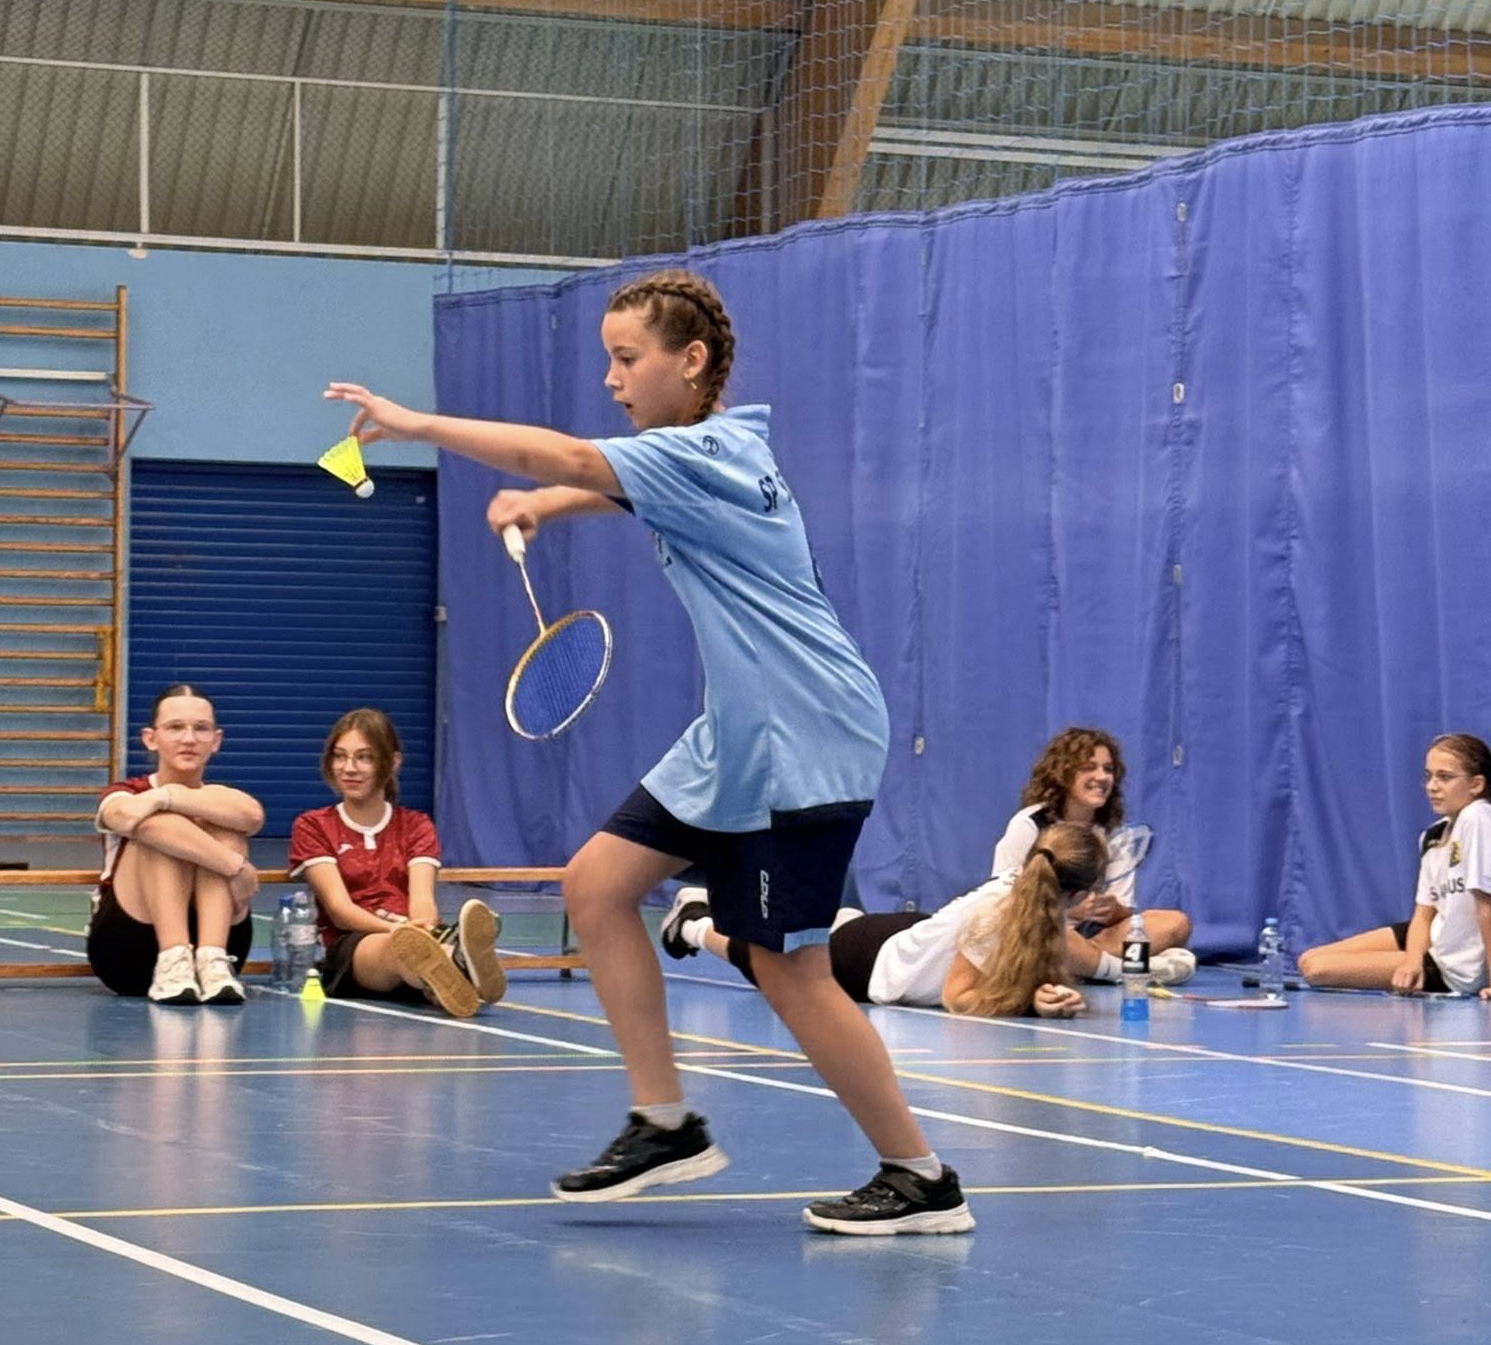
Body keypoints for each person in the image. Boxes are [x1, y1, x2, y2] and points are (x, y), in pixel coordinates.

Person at [326, 267, 972, 1236]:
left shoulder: (701, 449)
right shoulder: (722, 447)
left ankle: (920, 1177)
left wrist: (417, 423)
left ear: (692, 359)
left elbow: (574, 456)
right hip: (735, 737)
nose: (612, 378)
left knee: (786, 967)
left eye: (628, 358)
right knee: (595, 885)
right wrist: (547, 505)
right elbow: (616, 485)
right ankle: (664, 1122)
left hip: (803, 734)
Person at [665, 821, 1107, 1019]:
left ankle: (832, 914)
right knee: (773, 966)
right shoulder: (999, 914)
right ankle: (693, 922)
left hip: (900, 933)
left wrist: (1048, 993)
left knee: (829, 924)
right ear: (1079, 895)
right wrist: (1029, 1003)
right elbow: (957, 998)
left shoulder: (1033, 897)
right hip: (870, 961)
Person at [288, 708, 505, 1017]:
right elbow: (340, 911)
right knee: (401, 949)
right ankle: (458, 966)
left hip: (417, 935)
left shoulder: (416, 825)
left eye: (364, 757)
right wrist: (399, 930)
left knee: (420, 948)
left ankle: (448, 972)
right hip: (354, 948)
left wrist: (423, 925)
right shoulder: (313, 826)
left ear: (393, 762)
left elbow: (422, 900)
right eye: (340, 756)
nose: (349, 768)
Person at [87, 684, 263, 1004]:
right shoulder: (126, 792)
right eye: (175, 727)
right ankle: (173, 959)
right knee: (159, 831)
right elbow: (124, 815)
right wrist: (235, 866)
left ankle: (212, 960)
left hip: (224, 944)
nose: (189, 738)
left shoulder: (220, 797)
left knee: (226, 830)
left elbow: (252, 816)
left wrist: (166, 796)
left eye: (201, 728)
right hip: (130, 947)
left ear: (216, 740)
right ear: (150, 738)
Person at [991, 727, 1194, 984]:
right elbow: (1001, 903)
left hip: (1092, 938)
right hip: (1040, 932)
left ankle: (1083, 965)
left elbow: (1125, 914)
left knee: (1176, 923)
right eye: (1089, 767)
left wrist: (1111, 910)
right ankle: (1113, 967)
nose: (1102, 777)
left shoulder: (1115, 833)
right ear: (1062, 774)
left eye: (1108, 769)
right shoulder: (1028, 825)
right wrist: (1070, 912)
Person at [1299, 733, 1491, 998]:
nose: (1432, 786)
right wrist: (1412, 960)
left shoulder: (1478, 817)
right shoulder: (1433, 836)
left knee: (1316, 969)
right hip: (1434, 936)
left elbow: (1486, 907)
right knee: (1307, 958)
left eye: (1445, 777)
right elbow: (1424, 914)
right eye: (1428, 776)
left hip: (1454, 968)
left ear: (1476, 784)